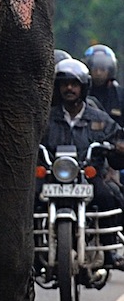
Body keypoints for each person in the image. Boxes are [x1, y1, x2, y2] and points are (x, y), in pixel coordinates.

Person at [43, 58, 124, 269]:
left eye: (74, 84)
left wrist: (118, 146)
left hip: (87, 176)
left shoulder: (100, 119)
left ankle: (110, 251)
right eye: (64, 84)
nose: (69, 88)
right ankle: (30, 254)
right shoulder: (45, 119)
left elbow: (116, 138)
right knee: (29, 201)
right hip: (52, 176)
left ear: (83, 87)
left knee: (109, 197)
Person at [83, 44, 124, 128]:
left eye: (102, 69)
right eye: (95, 69)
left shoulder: (120, 95)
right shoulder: (81, 93)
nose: (98, 73)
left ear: (110, 70)